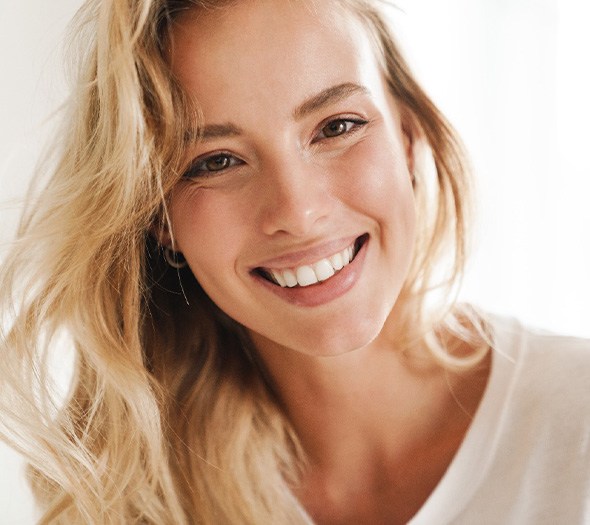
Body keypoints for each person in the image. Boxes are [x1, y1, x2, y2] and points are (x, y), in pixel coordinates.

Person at [1, 0, 588, 523]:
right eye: (215, 162)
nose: (299, 212)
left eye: (338, 127)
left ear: (410, 137)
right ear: (158, 215)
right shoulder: (127, 502)